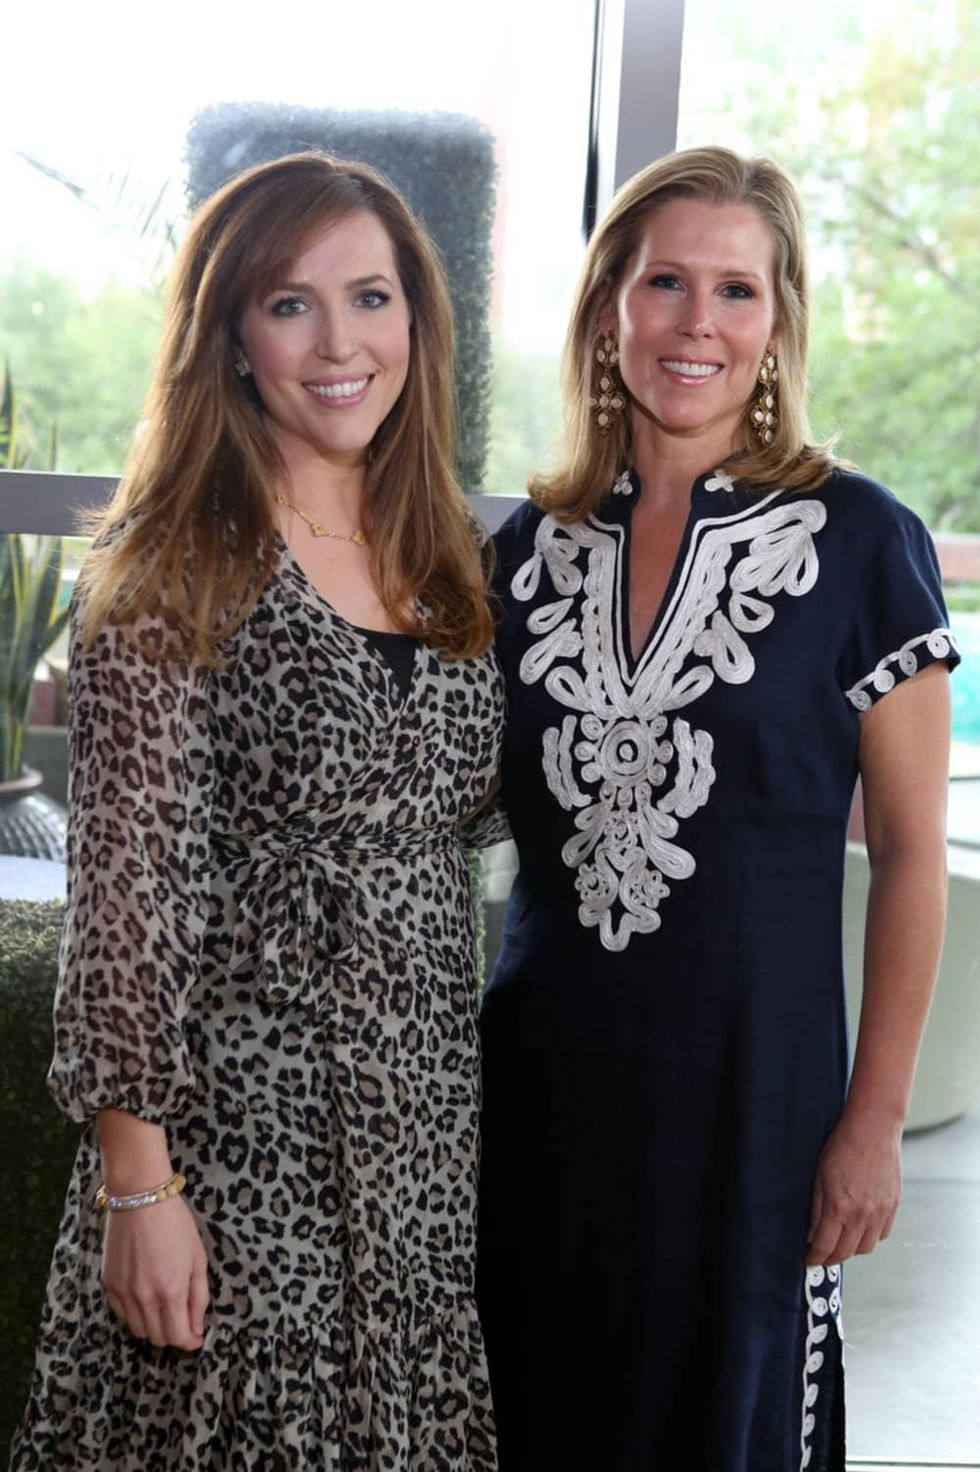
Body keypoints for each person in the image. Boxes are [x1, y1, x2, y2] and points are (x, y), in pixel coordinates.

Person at [12, 152, 502, 1471]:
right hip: (237, 1144)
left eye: (372, 297)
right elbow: (125, 897)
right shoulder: (179, 565)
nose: (341, 343)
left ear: (417, 319)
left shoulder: (448, 554)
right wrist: (140, 1185)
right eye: (290, 305)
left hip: (420, 1134)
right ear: (228, 336)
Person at [477, 145, 958, 1472]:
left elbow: (915, 858)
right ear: (609, 310)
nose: (698, 321)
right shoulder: (527, 552)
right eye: (666, 282)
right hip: (543, 1094)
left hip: (760, 1107)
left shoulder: (864, 541)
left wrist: (872, 1119)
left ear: (777, 322)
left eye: (737, 291)